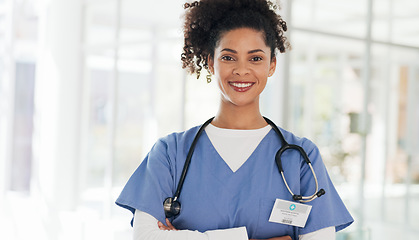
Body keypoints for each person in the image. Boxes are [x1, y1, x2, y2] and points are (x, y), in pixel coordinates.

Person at [116, 0, 354, 239]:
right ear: (211, 62)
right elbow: (145, 236)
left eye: (256, 59)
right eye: (229, 58)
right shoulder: (170, 153)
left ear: (272, 65)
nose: (241, 70)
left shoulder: (301, 156)